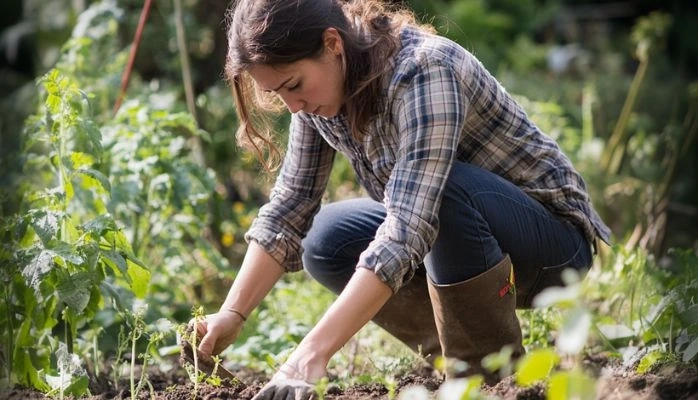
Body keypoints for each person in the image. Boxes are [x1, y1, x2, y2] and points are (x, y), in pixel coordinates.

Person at [193, 0, 611, 398]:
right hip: (452, 235)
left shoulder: (425, 70)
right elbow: (290, 208)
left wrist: (311, 354)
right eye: (279, 94)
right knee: (323, 241)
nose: (293, 106)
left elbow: (411, 225)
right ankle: (456, 351)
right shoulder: (319, 99)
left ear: (333, 44)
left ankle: (486, 379)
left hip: (552, 245)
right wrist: (233, 313)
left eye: (294, 85)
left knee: (444, 190)